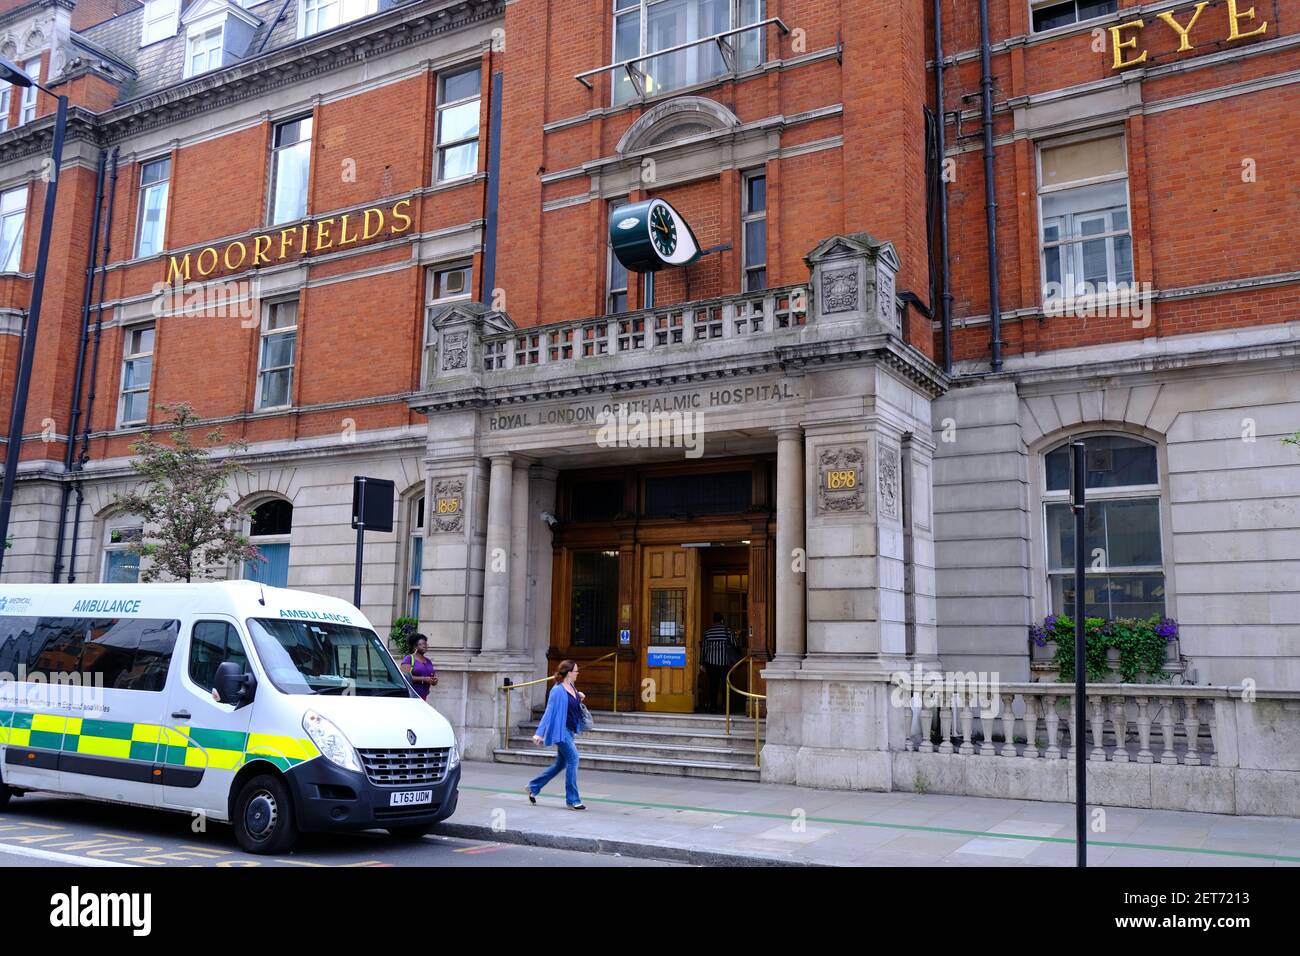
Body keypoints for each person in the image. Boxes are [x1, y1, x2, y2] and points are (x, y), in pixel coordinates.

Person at [527, 659, 586, 810]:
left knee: (561, 764)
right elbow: (549, 712)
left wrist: (579, 696)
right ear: (569, 673)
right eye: (576, 671)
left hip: (570, 731)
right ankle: (573, 800)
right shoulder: (557, 690)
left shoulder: (571, 686)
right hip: (561, 732)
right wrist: (539, 733)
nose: (578, 673)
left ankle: (533, 786)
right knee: (573, 759)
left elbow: (572, 705)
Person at [699, 612, 740, 714]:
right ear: (722, 620)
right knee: (727, 685)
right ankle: (726, 707)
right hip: (725, 664)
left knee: (713, 686)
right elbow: (735, 645)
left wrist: (702, 663)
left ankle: (713, 707)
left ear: (713, 621)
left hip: (711, 664)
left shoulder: (707, 633)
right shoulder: (728, 632)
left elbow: (704, 649)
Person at [399, 633, 438, 702]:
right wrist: (424, 679)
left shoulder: (428, 661)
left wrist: (434, 681)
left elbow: (432, 675)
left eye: (426, 644)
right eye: (422, 644)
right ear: (415, 647)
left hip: (423, 697)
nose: (425, 646)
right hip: (410, 696)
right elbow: (404, 677)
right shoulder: (409, 659)